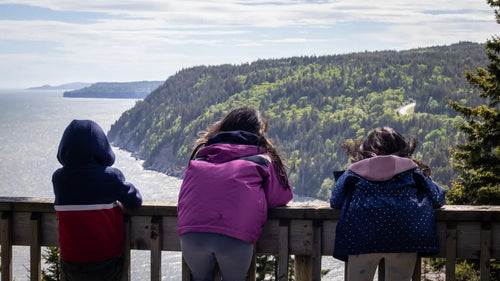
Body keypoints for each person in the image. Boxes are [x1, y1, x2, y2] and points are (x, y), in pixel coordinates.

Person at [177, 107, 293, 281]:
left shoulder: (200, 157)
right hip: (235, 235)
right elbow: (280, 197)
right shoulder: (261, 160)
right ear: (259, 132)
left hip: (191, 235)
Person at [330, 126, 446, 281]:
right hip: (404, 238)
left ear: (365, 149)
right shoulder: (412, 170)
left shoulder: (354, 172)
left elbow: (335, 200)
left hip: (361, 237)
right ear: (403, 148)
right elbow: (438, 197)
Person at [52, 119, 143, 281]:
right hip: (104, 258)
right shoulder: (110, 176)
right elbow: (134, 200)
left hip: (70, 258)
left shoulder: (59, 179)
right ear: (102, 147)